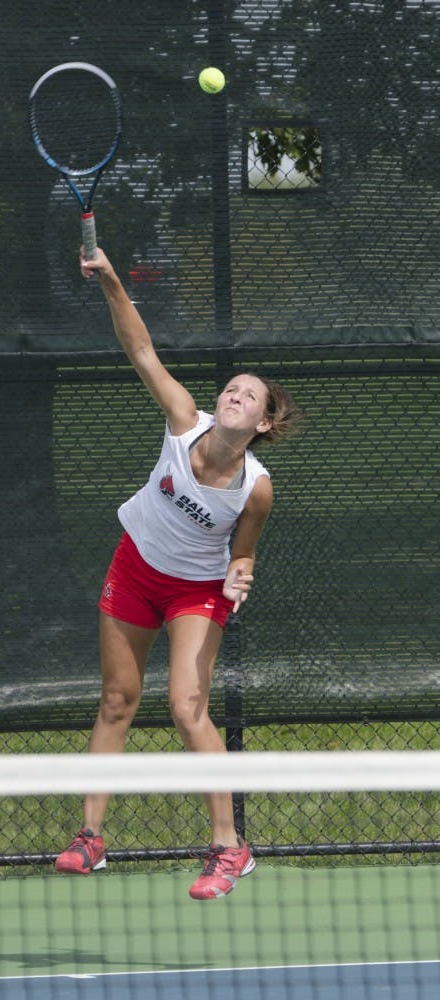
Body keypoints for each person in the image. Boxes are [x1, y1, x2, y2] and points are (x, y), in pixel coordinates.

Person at [55, 246, 301, 900]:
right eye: (232, 387)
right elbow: (141, 350)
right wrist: (110, 280)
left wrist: (239, 574)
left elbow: (242, 549)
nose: (234, 393)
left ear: (264, 422)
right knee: (117, 700)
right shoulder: (181, 424)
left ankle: (230, 847)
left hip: (195, 592)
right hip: (135, 567)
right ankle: (90, 837)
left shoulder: (256, 489)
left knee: (187, 707)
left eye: (249, 394)